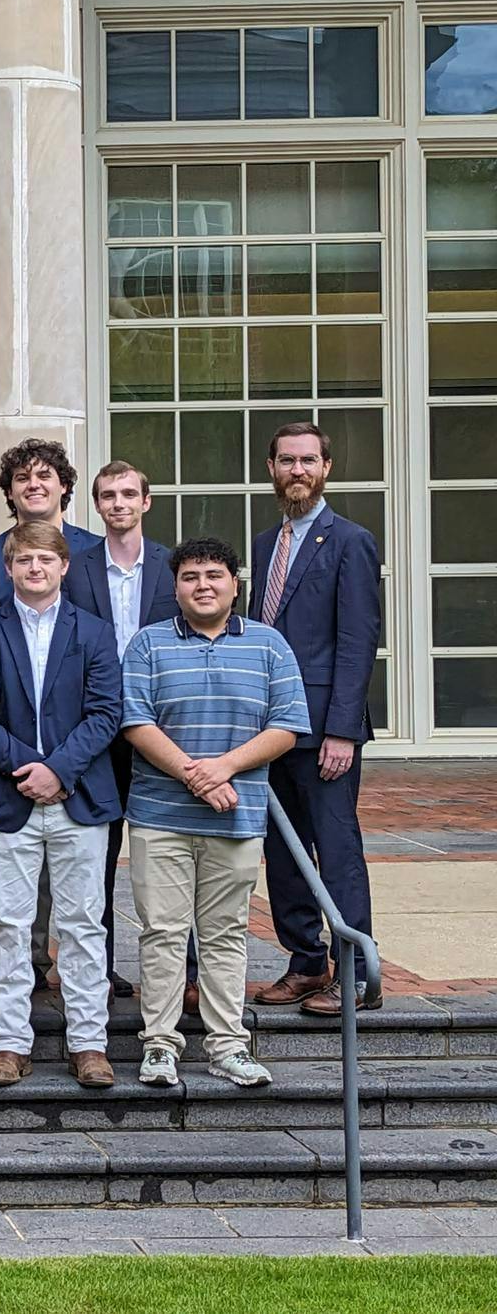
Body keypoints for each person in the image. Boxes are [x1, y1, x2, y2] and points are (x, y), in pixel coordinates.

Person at [123, 538, 310, 1089]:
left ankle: (228, 1045)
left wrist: (222, 769)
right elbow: (136, 722)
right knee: (162, 931)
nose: (202, 585)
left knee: (225, 934)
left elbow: (286, 726)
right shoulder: (148, 644)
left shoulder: (270, 645)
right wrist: (194, 775)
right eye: (190, 577)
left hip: (237, 818)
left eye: (213, 575)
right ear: (175, 586)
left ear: (235, 582)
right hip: (160, 818)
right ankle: (160, 1044)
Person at [0, 522, 124, 1089]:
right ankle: (8, 1042)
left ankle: (89, 1043)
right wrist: (30, 767)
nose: (35, 569)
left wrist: (60, 770)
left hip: (80, 798)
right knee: (7, 923)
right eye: (24, 560)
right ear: (9, 569)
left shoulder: (96, 633)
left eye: (45, 560)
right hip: (11, 798)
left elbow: (106, 712)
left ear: (64, 566)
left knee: (83, 924)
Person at [247, 423, 384, 1017]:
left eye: (308, 460)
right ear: (271, 468)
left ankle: (354, 975)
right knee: (282, 850)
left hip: (325, 727)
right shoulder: (261, 544)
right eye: (286, 461)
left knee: (335, 845)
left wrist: (342, 730)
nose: (296, 470)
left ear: (327, 466)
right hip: (268, 729)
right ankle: (305, 963)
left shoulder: (350, 541)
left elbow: (358, 640)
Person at [67, 460, 182, 1001]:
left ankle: (188, 972)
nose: (119, 503)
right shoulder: (77, 567)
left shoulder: (173, 566)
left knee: (176, 849)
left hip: (162, 726)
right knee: (98, 853)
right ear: (96, 505)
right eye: (108, 495)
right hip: (97, 728)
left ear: (146, 501)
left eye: (128, 493)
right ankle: (103, 968)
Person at [0, 438, 103, 626]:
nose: (33, 485)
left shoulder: (96, 549)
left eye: (44, 476)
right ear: (9, 492)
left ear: (64, 486)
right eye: (22, 478)